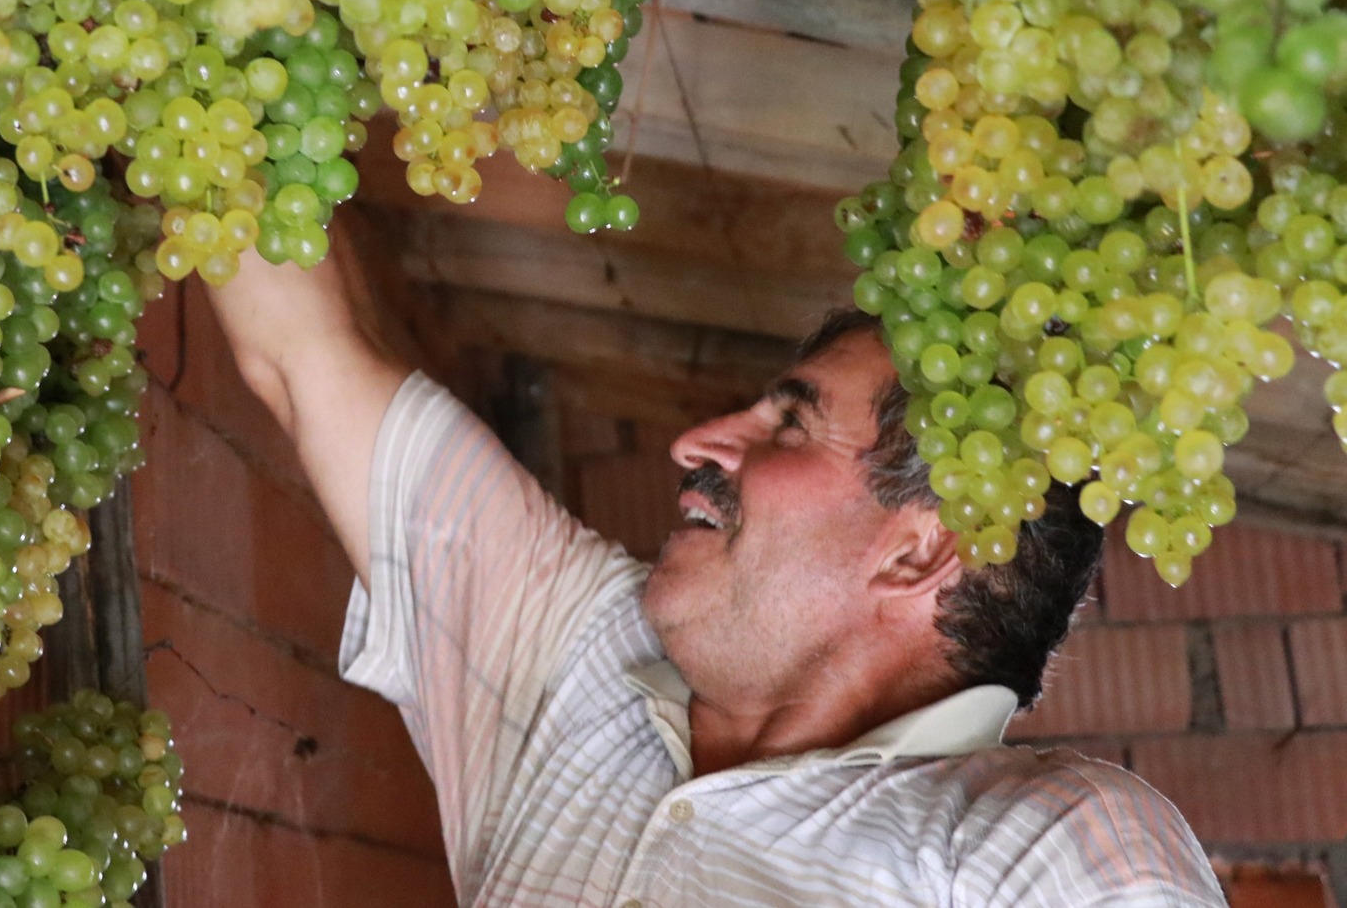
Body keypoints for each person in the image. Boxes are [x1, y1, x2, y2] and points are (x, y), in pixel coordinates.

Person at [206, 240, 1227, 907]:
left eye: (787, 423)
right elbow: (307, 356)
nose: (696, 443)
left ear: (919, 547)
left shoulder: (1038, 846)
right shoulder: (571, 644)